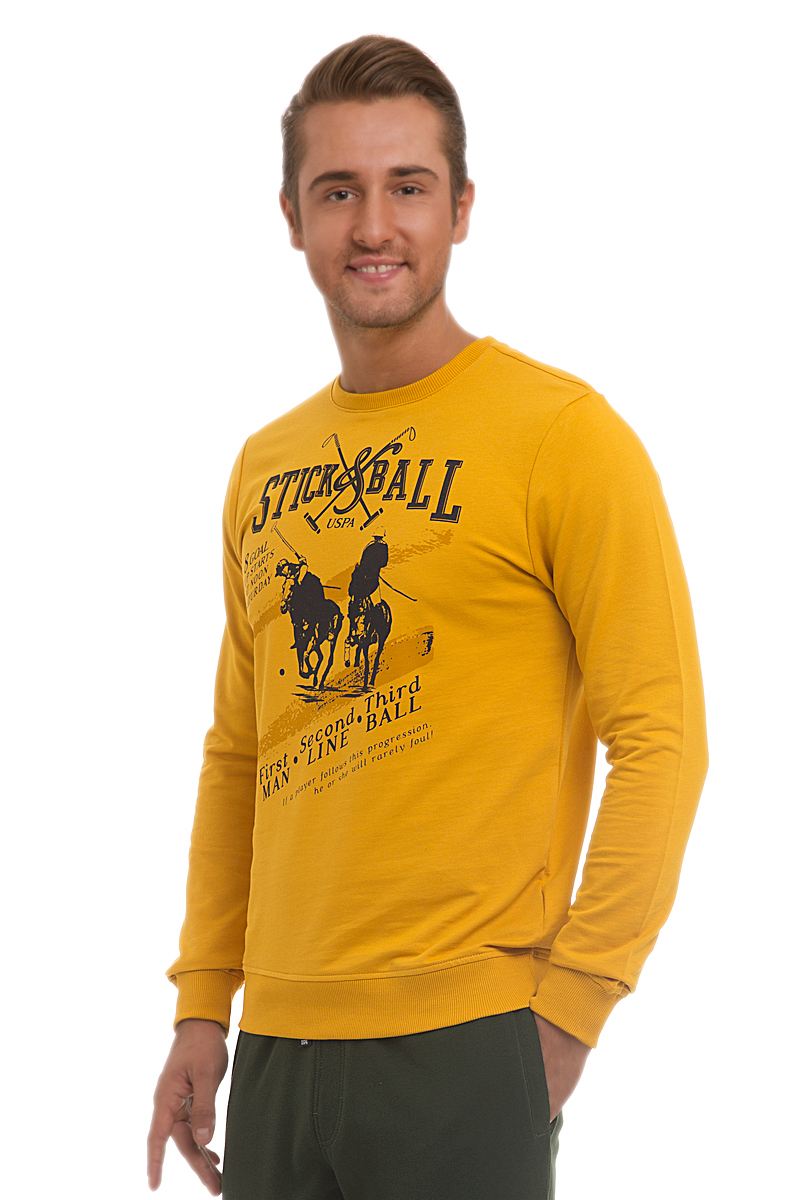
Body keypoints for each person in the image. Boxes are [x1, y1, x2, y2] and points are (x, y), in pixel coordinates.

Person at [147, 34, 708, 1200]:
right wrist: (205, 1006)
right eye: (336, 190)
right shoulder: (264, 465)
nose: (372, 225)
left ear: (459, 209)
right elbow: (241, 752)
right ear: (292, 218)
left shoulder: (561, 437)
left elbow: (660, 738)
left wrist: (567, 1014)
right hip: (279, 1044)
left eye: (406, 187)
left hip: (467, 1040)